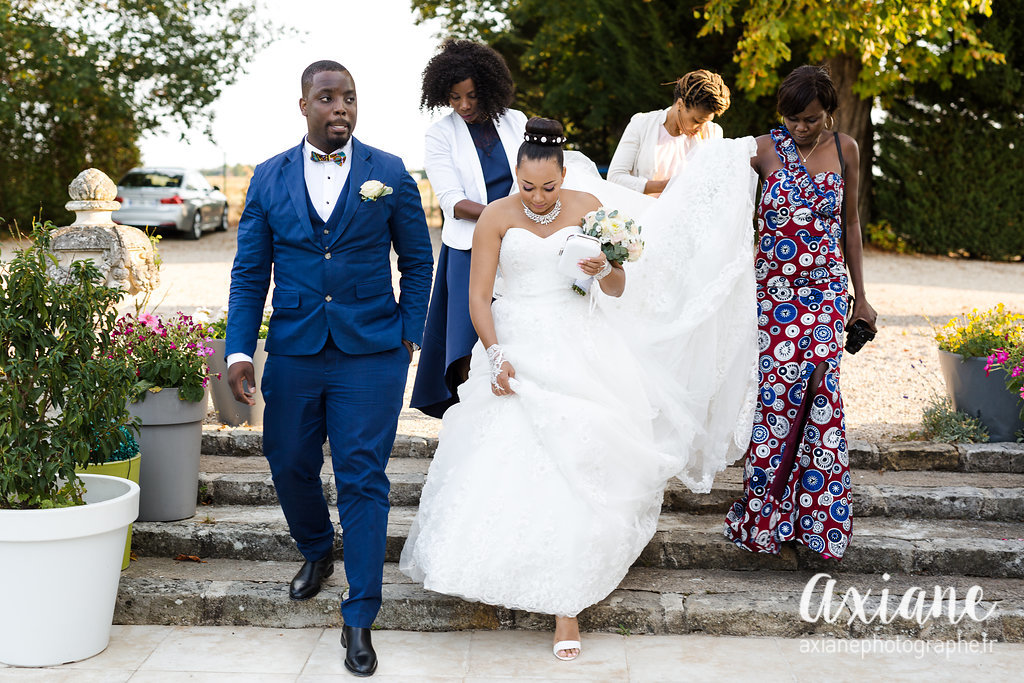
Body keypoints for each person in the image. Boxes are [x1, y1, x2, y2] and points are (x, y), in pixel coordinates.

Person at [400, 117, 761, 661]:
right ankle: (506, 568)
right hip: (516, 345)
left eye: (548, 187)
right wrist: (495, 355)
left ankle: (566, 605)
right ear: (515, 176)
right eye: (527, 187)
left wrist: (605, 265)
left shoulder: (590, 206)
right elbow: (478, 299)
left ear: (563, 176)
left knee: (580, 462)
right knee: (512, 462)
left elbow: (615, 288)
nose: (539, 198)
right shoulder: (495, 217)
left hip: (581, 345)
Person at [225, 60, 433, 677]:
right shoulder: (267, 178)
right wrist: (240, 350)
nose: (341, 107)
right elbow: (247, 273)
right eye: (327, 97)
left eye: (349, 97)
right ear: (304, 106)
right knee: (287, 460)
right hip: (293, 347)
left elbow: (418, 262)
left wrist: (407, 336)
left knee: (364, 478)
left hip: (371, 353)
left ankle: (360, 614)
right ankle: (317, 549)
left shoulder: (388, 172)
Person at [724, 65, 878, 561]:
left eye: (810, 118)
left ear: (828, 111)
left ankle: (814, 526)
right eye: (791, 118)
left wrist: (862, 294)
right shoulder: (761, 150)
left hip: (828, 289)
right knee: (779, 400)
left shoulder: (845, 149)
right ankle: (768, 523)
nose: (800, 127)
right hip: (773, 293)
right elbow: (713, 198)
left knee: (819, 393)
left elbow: (849, 223)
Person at [410, 39, 528, 418]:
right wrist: (506, 217)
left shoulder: (517, 121)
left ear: (489, 89)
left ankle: (507, 418)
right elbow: (452, 202)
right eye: (454, 97)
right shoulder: (439, 135)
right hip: (467, 249)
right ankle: (467, 421)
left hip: (518, 245)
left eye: (473, 95)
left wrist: (519, 224)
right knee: (465, 344)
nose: (463, 105)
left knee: (513, 334)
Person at [607, 69, 731, 197]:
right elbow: (615, 178)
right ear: (680, 104)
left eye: (707, 121)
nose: (701, 128)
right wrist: (667, 185)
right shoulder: (641, 124)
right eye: (697, 120)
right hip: (641, 212)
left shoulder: (713, 132)